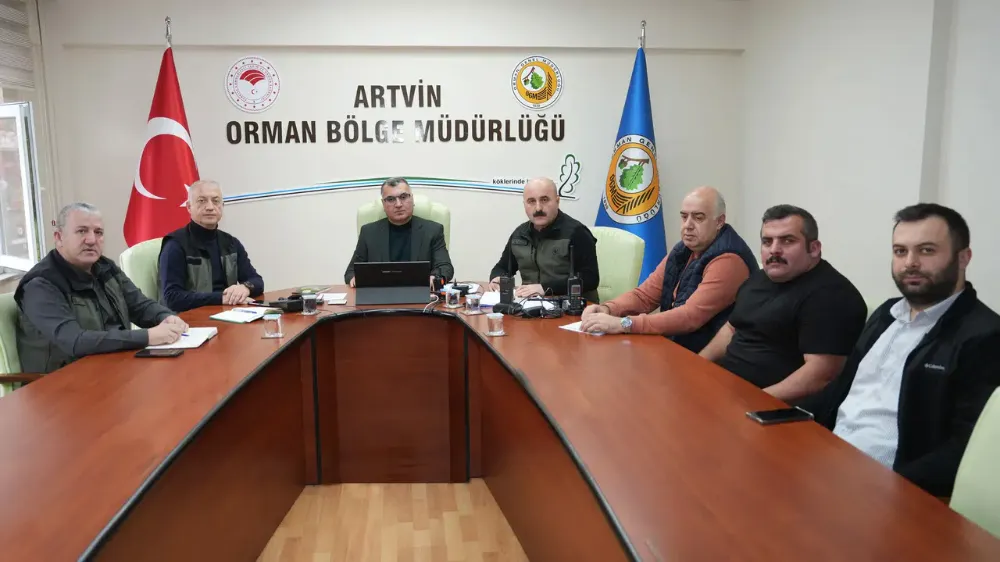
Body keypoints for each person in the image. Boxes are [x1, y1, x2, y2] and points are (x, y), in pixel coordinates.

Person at [809, 203, 1000, 498]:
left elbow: (964, 449)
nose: (910, 262)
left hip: (890, 488)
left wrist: (886, 487)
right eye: (900, 251)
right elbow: (841, 391)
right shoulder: (886, 314)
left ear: (964, 258)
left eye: (926, 250)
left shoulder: (985, 335)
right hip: (830, 458)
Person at [699, 205, 867, 404]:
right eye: (767, 241)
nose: (774, 250)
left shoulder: (833, 296)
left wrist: (752, 402)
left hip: (772, 407)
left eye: (787, 240)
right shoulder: (759, 279)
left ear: (814, 248)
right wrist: (698, 366)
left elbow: (821, 374)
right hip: (728, 389)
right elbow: (731, 329)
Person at [14, 203, 189, 374]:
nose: (91, 240)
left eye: (98, 232)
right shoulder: (41, 285)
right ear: (59, 237)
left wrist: (165, 317)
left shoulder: (104, 267)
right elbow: (75, 341)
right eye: (81, 231)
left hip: (114, 367)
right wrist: (148, 337)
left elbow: (140, 306)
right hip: (62, 381)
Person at [579, 186, 757, 350]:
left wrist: (624, 324)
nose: (688, 225)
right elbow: (645, 296)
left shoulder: (728, 260)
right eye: (684, 217)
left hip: (711, 360)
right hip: (680, 346)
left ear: (719, 222)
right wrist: (608, 309)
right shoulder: (683, 249)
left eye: (698, 217)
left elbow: (690, 317)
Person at [158, 180, 265, 312]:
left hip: (229, 314)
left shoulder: (231, 243)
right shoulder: (175, 245)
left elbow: (257, 281)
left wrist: (245, 287)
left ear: (222, 206)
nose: (210, 207)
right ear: (189, 207)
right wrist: (221, 298)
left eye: (215, 201)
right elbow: (172, 298)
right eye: (202, 201)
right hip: (190, 319)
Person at [488, 177, 599, 301]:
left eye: (544, 200)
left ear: (557, 201)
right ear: (524, 205)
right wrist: (497, 279)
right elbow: (503, 267)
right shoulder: (520, 234)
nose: (538, 208)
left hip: (573, 306)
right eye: (531, 201)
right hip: (530, 305)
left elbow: (590, 279)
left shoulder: (577, 233)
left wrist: (545, 288)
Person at [344, 177, 454, 286]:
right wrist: (355, 278)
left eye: (403, 197)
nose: (398, 204)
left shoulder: (433, 230)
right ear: (383, 204)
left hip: (419, 291)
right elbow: (351, 272)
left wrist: (434, 278)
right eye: (391, 199)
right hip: (381, 292)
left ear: (412, 199)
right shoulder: (368, 232)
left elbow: (445, 267)